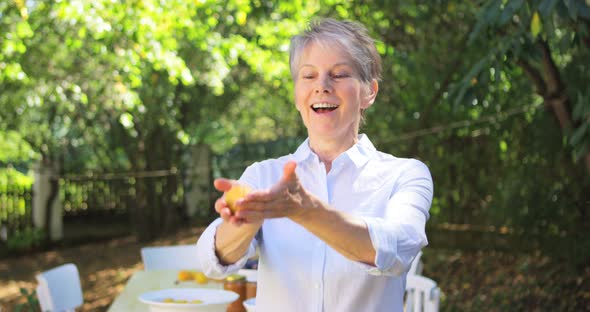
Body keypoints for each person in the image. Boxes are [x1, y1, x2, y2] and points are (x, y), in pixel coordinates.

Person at [196, 17, 433, 312]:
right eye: (309, 76)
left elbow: (396, 249)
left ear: (369, 92)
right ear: (297, 95)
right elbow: (212, 262)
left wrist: (307, 212)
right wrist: (245, 223)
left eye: (339, 74)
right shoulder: (263, 176)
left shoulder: (406, 174)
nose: (322, 86)